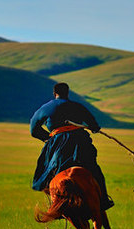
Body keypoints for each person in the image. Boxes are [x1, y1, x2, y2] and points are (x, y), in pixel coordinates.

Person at [30, 82, 113, 210]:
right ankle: (103, 200)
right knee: (93, 169)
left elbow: (33, 129)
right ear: (68, 93)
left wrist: (47, 138)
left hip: (58, 143)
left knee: (47, 169)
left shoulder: (46, 108)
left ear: (54, 93)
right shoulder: (78, 106)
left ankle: (55, 203)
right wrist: (94, 128)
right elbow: (93, 125)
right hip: (80, 143)